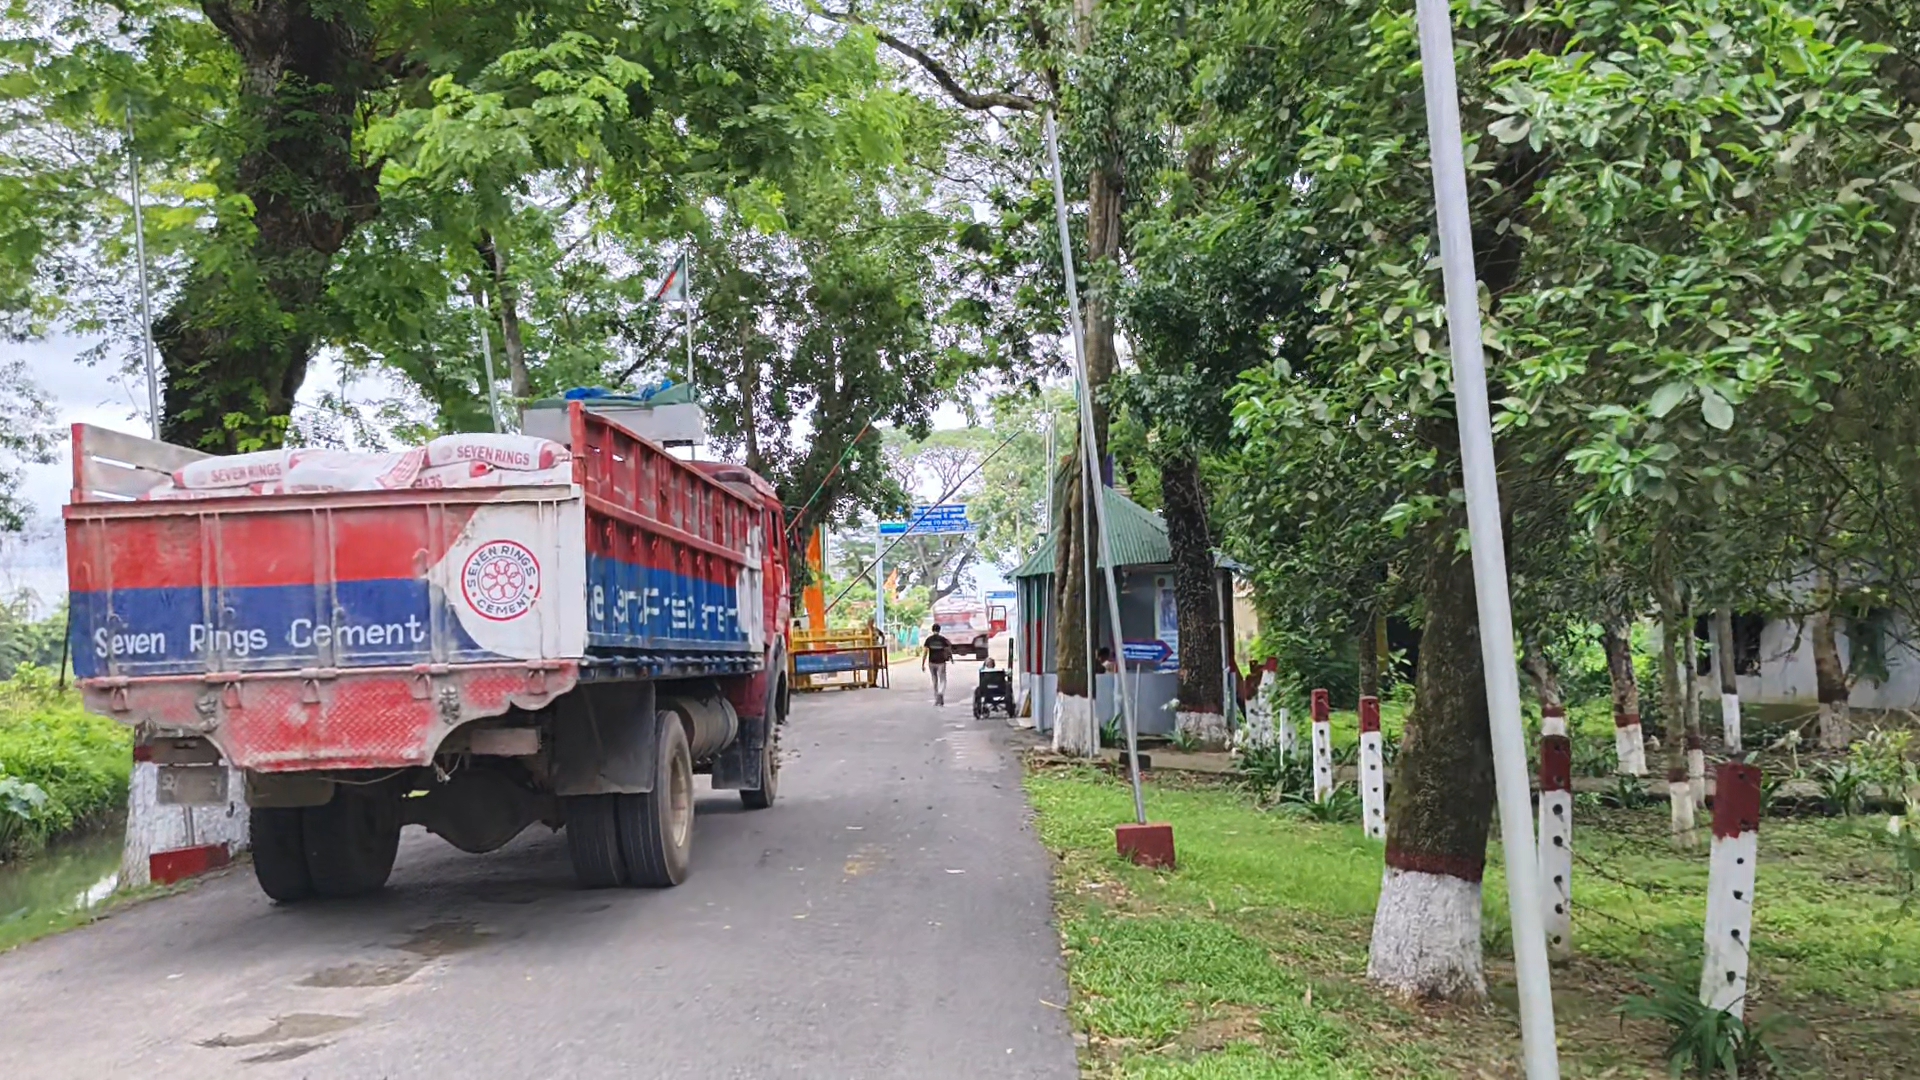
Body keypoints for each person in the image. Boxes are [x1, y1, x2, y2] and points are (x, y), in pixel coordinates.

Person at [922, 622, 954, 706]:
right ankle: (940, 693)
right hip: (941, 662)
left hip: (931, 662)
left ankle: (936, 698)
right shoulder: (943, 639)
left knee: (934, 680)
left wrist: (923, 664)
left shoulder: (929, 639)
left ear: (932, 630)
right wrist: (951, 658)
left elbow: (925, 652)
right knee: (943, 679)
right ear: (939, 630)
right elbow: (948, 650)